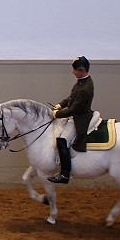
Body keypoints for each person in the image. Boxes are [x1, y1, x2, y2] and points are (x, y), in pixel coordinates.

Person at [47, 56, 94, 184]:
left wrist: (57, 114)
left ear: (82, 70)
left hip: (80, 118)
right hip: (75, 114)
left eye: (75, 70)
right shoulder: (81, 82)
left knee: (62, 141)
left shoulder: (85, 88)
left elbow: (74, 109)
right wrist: (61, 104)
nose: (73, 72)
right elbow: (72, 97)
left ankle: (65, 174)